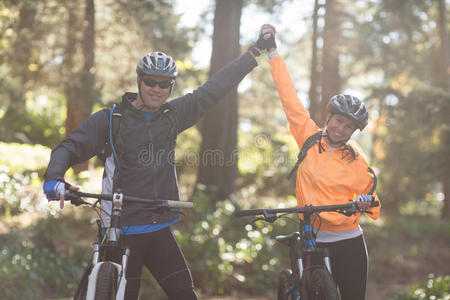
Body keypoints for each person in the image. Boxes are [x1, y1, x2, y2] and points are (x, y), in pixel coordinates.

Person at [43, 34, 267, 299]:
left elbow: (215, 88)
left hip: (157, 225)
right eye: (150, 81)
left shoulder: (172, 117)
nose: (156, 88)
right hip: (119, 228)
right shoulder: (112, 118)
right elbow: (69, 147)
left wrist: (254, 53)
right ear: (139, 80)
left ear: (171, 86)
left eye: (164, 83)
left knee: (185, 294)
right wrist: (54, 180)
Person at [259, 24, 381, 300]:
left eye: (349, 126)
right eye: (339, 120)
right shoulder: (308, 138)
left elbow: (373, 200)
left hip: (348, 241)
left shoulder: (357, 162)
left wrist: (364, 201)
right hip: (312, 236)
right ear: (329, 117)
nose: (341, 129)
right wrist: (273, 53)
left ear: (353, 132)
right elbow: (288, 97)